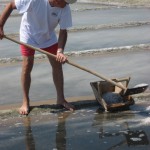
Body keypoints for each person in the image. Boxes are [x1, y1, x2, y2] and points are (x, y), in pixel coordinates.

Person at [0, 0, 77, 115]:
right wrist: (0, 26)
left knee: (57, 64)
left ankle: (61, 99)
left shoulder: (65, 8)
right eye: (65, 2)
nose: (67, 4)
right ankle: (25, 101)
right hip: (28, 35)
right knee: (27, 66)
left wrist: (60, 51)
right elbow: (11, 5)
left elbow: (63, 31)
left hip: (48, 37)